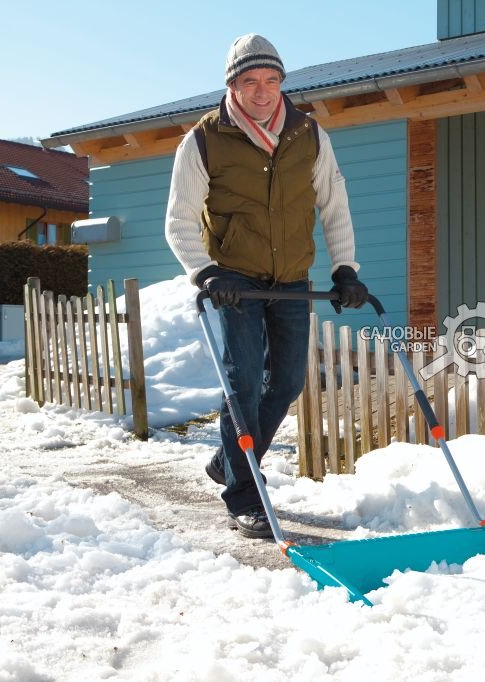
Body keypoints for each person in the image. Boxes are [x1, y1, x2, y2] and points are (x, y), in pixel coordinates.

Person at [165, 34, 368, 539]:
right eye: (251, 81)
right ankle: (243, 496)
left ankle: (226, 461)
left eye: (271, 80)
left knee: (288, 382)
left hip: (292, 278)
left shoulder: (310, 136)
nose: (262, 91)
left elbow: (334, 208)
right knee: (243, 385)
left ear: (282, 83)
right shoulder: (204, 140)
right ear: (233, 84)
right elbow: (179, 220)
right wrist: (206, 272)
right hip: (233, 280)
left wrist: (346, 271)